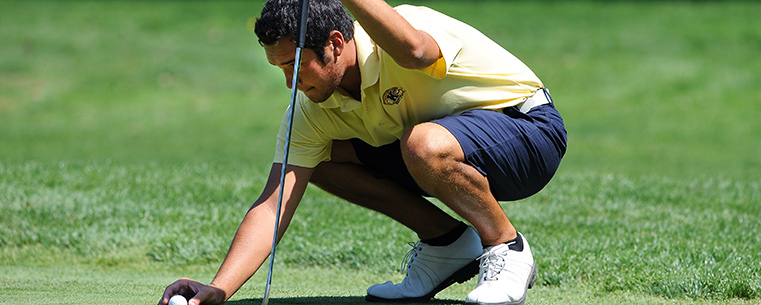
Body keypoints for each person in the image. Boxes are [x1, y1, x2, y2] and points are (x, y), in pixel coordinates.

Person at [159, 0, 567, 304]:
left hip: (530, 132)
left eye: (296, 66)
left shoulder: (403, 31)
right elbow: (273, 204)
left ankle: (506, 247)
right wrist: (218, 288)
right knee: (319, 160)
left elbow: (416, 52)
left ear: (335, 43)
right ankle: (446, 244)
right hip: (444, 153)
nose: (289, 83)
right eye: (280, 69)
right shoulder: (311, 111)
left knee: (422, 144)